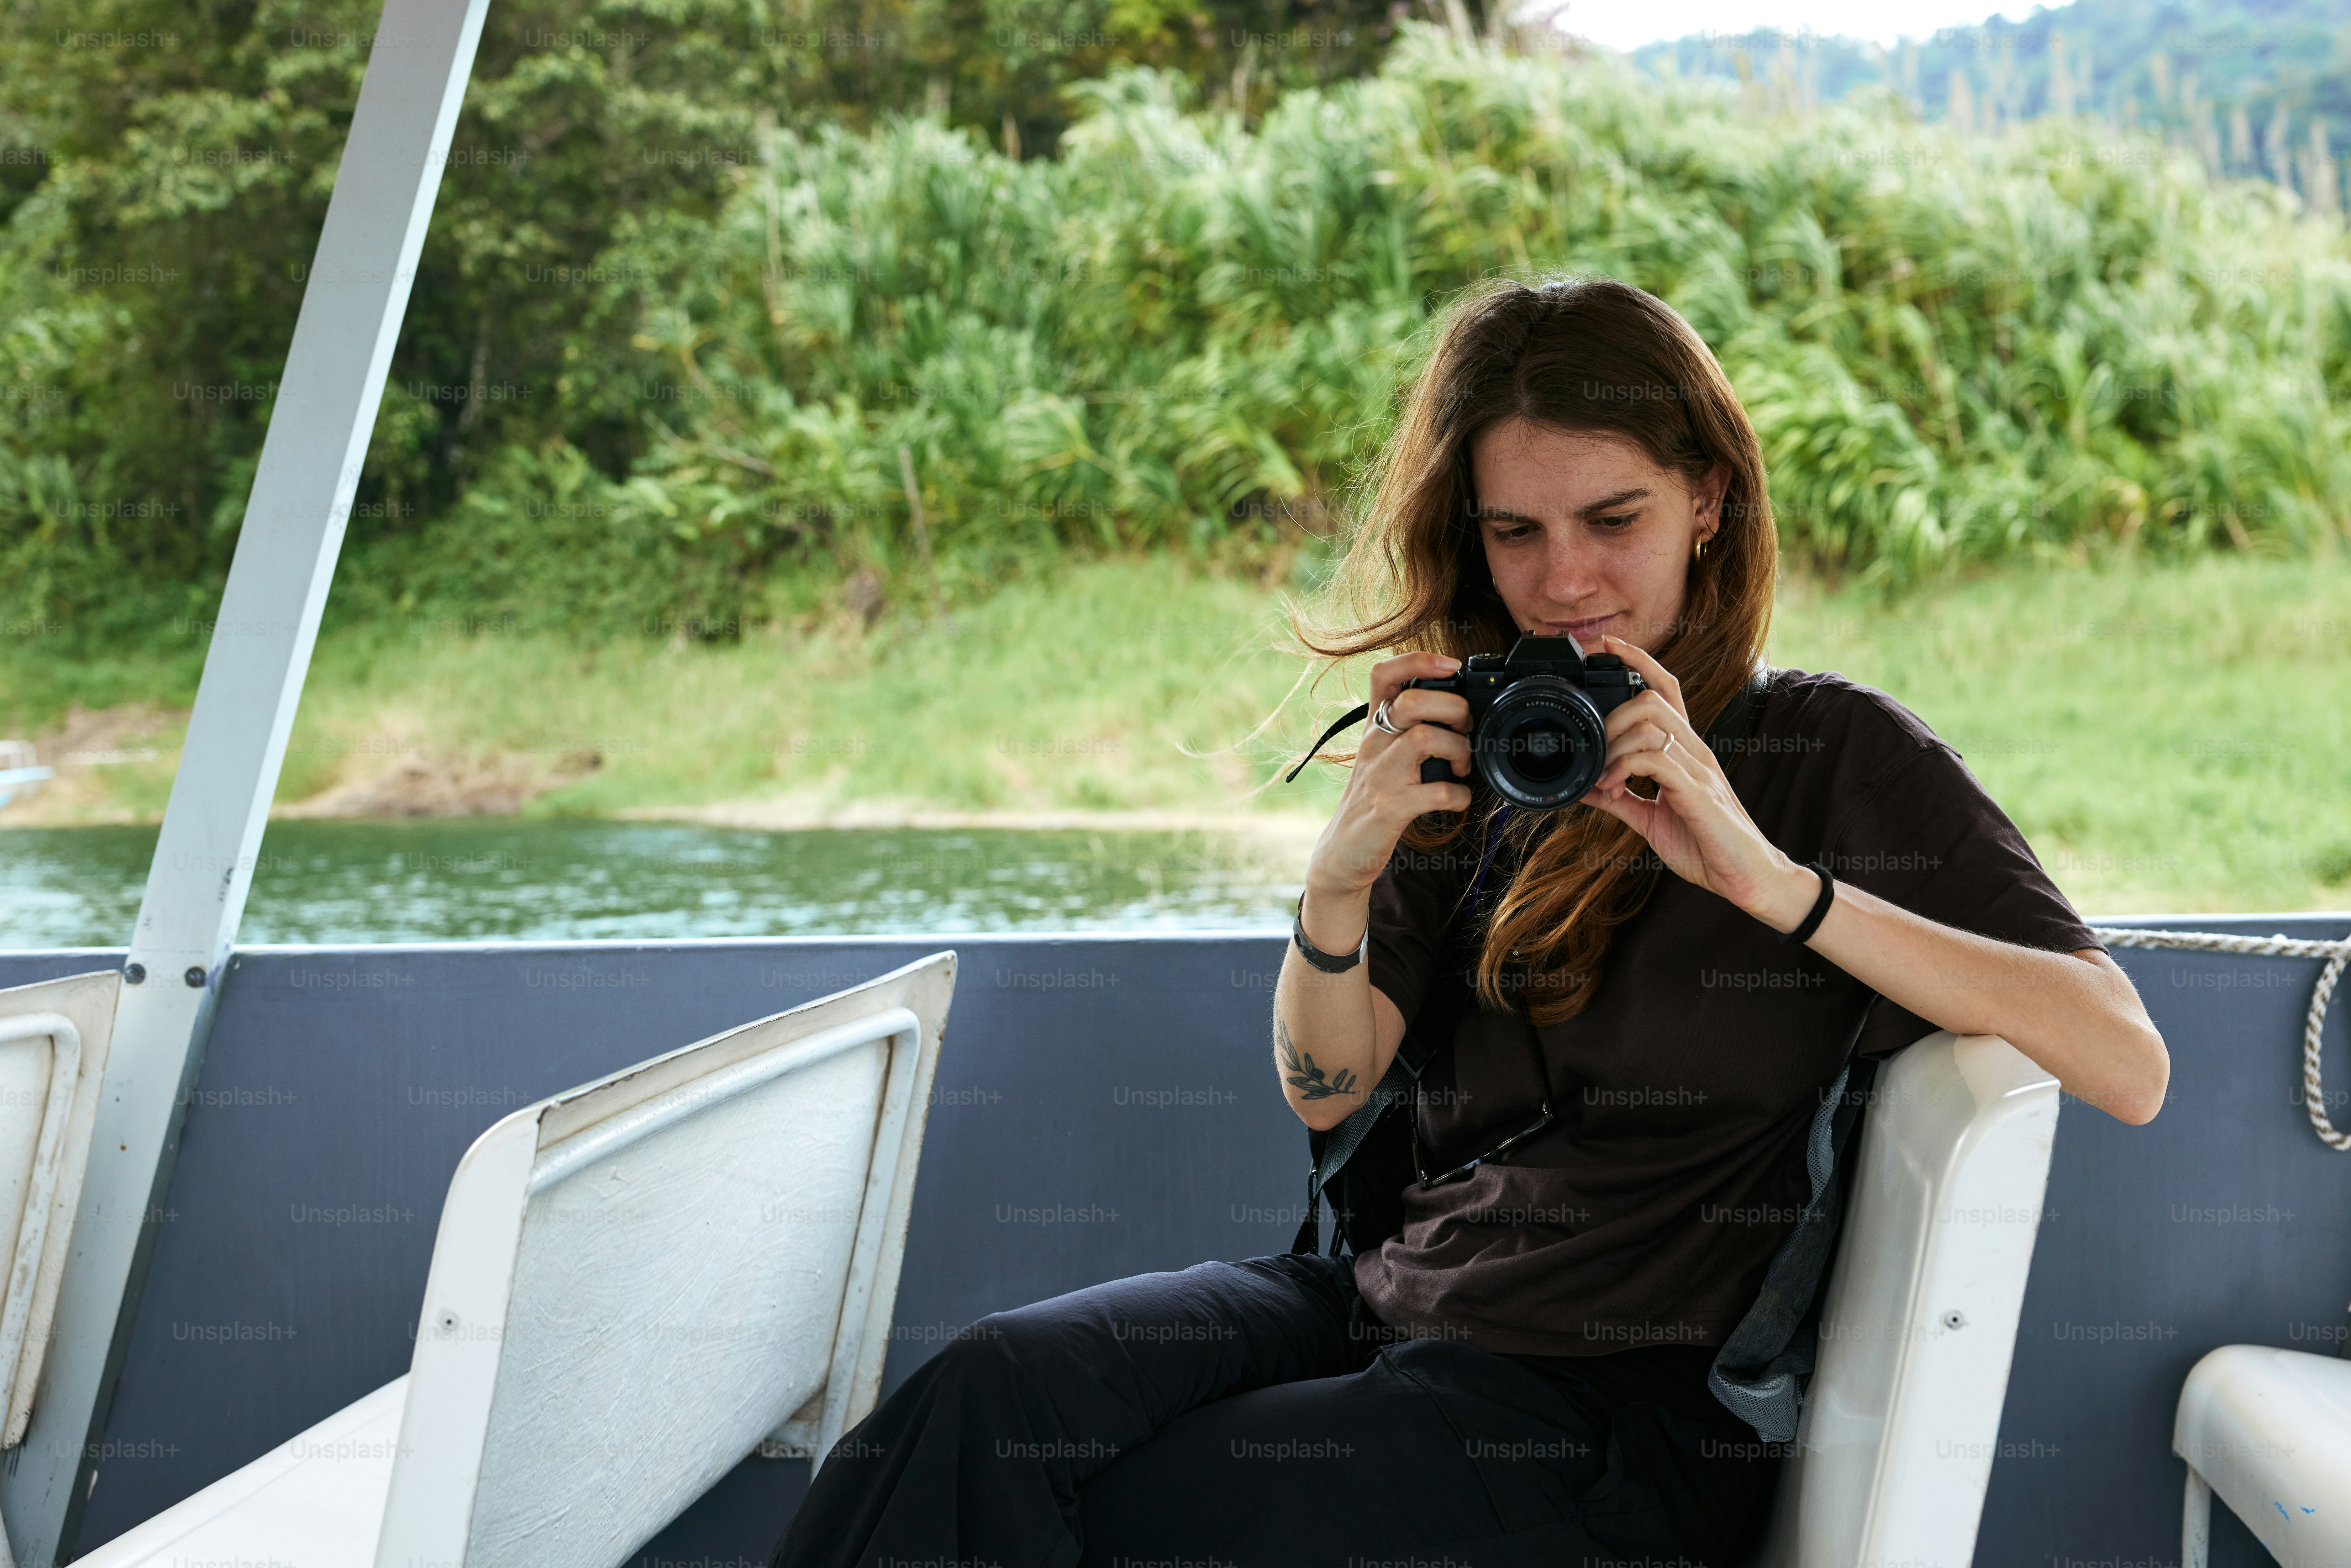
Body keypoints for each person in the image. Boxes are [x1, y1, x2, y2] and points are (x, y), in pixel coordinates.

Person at [768, 276, 2169, 1568]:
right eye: (1517, 532)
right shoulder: (1499, 744)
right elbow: (1332, 1087)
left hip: (1607, 1417)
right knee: (985, 1396)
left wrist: (1766, 881)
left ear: (1711, 501)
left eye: (1611, 520)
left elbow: (2125, 1057)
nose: (1564, 582)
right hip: (1379, 1302)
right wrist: (1337, 885)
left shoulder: (1830, 750)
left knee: (1136, 1516)